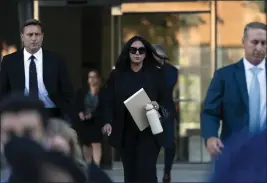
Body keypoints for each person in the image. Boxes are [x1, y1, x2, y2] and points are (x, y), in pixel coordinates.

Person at [101, 36, 172, 183]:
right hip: (126, 132)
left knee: (147, 173)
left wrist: (156, 107)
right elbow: (107, 99)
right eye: (133, 50)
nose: (137, 53)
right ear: (128, 52)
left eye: (141, 50)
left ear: (146, 54)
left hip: (149, 132)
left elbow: (166, 101)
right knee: (131, 174)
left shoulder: (155, 75)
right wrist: (107, 121)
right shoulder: (117, 75)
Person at [201, 22, 266, 157]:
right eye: (254, 42)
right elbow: (210, 112)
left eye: (264, 43)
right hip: (234, 153)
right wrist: (210, 137)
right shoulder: (225, 76)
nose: (259, 48)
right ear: (243, 42)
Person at [0, 19, 76, 123]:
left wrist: (67, 118)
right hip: (20, 113)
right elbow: (3, 92)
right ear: (22, 37)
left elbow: (68, 93)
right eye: (30, 35)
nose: (34, 38)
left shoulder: (57, 60)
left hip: (51, 114)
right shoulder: (9, 61)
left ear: (42, 36)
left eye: (37, 34)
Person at [152, 44, 178, 183]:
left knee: (169, 144)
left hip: (166, 111)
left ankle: (167, 172)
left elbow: (166, 87)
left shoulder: (171, 71)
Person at [76, 69, 103, 165]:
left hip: (96, 122)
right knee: (86, 143)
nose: (91, 79)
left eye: (94, 77)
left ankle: (96, 166)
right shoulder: (82, 91)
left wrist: (92, 115)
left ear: (98, 79)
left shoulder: (103, 92)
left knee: (96, 143)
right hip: (84, 122)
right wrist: (80, 113)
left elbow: (104, 107)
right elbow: (77, 104)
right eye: (90, 77)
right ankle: (88, 166)